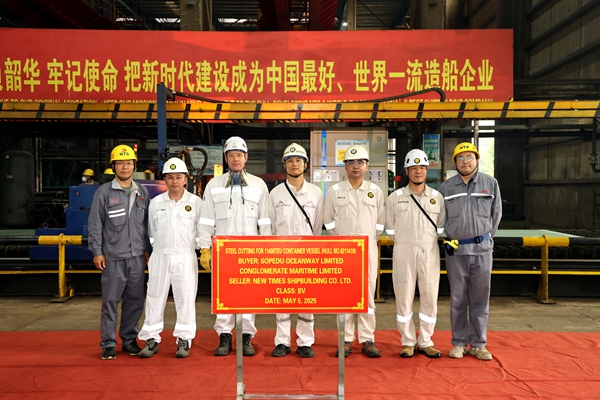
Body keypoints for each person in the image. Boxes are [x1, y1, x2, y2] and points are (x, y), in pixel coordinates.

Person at [198, 136, 273, 357]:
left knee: (249, 294)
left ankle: (246, 336)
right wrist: (205, 248)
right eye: (231, 155)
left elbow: (265, 220)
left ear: (246, 157)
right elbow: (206, 219)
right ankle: (224, 335)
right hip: (224, 251)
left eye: (239, 155)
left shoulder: (258, 185)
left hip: (251, 250)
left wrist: (265, 248)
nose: (235, 159)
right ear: (226, 158)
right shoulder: (214, 185)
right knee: (223, 293)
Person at [439, 142, 502, 361]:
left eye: (469, 157)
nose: (465, 161)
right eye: (460, 158)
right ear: (455, 162)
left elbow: (496, 215)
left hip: (482, 251)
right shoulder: (446, 188)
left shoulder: (490, 183)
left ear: (476, 160)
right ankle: (458, 342)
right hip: (456, 252)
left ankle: (478, 344)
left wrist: (484, 239)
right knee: (457, 299)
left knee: (480, 300)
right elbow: (441, 219)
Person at [88, 144, 151, 360]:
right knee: (110, 303)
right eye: (120, 163)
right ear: (113, 166)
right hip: (113, 257)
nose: (125, 167)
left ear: (134, 166)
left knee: (135, 301)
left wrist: (146, 249)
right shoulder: (104, 192)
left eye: (129, 163)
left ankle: (129, 340)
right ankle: (108, 343)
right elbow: (95, 224)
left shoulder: (142, 192)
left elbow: (145, 224)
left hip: (136, 257)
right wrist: (97, 251)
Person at [323, 144, 385, 358]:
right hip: (343, 251)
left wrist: (369, 239)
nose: (356, 166)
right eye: (351, 162)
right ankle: (345, 339)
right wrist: (341, 239)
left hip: (368, 251)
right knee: (344, 295)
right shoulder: (335, 191)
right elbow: (328, 221)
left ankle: (367, 339)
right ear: (345, 166)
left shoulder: (375, 191)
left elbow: (380, 223)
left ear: (367, 166)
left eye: (360, 162)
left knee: (368, 295)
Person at [385, 149, 446, 359]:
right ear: (407, 171)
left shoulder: (437, 198)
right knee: (404, 297)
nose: (418, 171)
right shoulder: (395, 198)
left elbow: (440, 227)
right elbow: (390, 228)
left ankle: (426, 341)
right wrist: (406, 242)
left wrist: (424, 242)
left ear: (427, 170)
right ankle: (408, 341)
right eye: (413, 168)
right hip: (403, 252)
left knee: (430, 296)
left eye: (422, 167)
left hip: (429, 252)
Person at [137, 158, 201, 359]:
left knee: (186, 298)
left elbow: (201, 232)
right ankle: (151, 339)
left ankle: (184, 339)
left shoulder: (196, 203)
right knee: (154, 297)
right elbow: (151, 232)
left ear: (186, 179)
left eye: (178, 177)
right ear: (164, 179)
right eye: (170, 177)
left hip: (186, 257)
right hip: (160, 256)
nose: (174, 181)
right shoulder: (156, 203)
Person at [269, 143, 323, 358]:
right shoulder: (275, 193)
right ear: (284, 165)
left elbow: (317, 225)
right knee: (282, 298)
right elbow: (271, 225)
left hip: (307, 253)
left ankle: (305, 341)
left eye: (298, 160)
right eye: (290, 161)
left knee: (306, 299)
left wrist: (312, 250)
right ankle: (282, 341)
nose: (294, 164)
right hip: (281, 253)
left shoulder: (316, 193)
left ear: (305, 165)